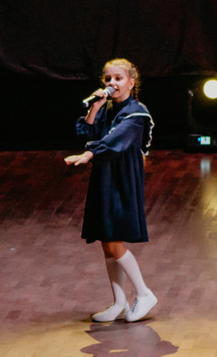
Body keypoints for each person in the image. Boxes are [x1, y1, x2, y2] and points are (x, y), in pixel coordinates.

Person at [63, 58, 157, 322]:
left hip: (122, 179)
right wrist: (95, 107)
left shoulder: (137, 113)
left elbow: (116, 141)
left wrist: (89, 155)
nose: (112, 83)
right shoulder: (106, 109)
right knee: (107, 241)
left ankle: (144, 293)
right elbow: (87, 131)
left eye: (118, 78)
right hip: (104, 176)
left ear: (131, 82)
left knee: (114, 242)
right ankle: (119, 303)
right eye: (108, 79)